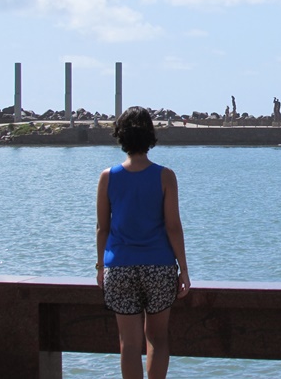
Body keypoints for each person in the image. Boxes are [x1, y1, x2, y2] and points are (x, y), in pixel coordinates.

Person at [96, 106, 190, 379]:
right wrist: (183, 269)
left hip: (120, 268)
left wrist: (100, 266)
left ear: (120, 136)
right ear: (150, 136)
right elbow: (173, 227)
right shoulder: (165, 176)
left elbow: (103, 228)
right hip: (159, 267)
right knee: (158, 339)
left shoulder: (107, 177)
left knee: (129, 344)